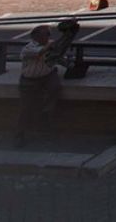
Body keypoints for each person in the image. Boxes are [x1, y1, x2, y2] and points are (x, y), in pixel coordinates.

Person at [15, 19, 80, 147]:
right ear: (37, 37)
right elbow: (42, 52)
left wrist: (69, 36)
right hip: (29, 80)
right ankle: (19, 135)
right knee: (26, 108)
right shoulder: (28, 48)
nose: (49, 37)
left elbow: (55, 56)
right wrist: (58, 42)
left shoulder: (49, 45)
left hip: (47, 76)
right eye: (47, 34)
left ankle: (46, 125)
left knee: (53, 93)